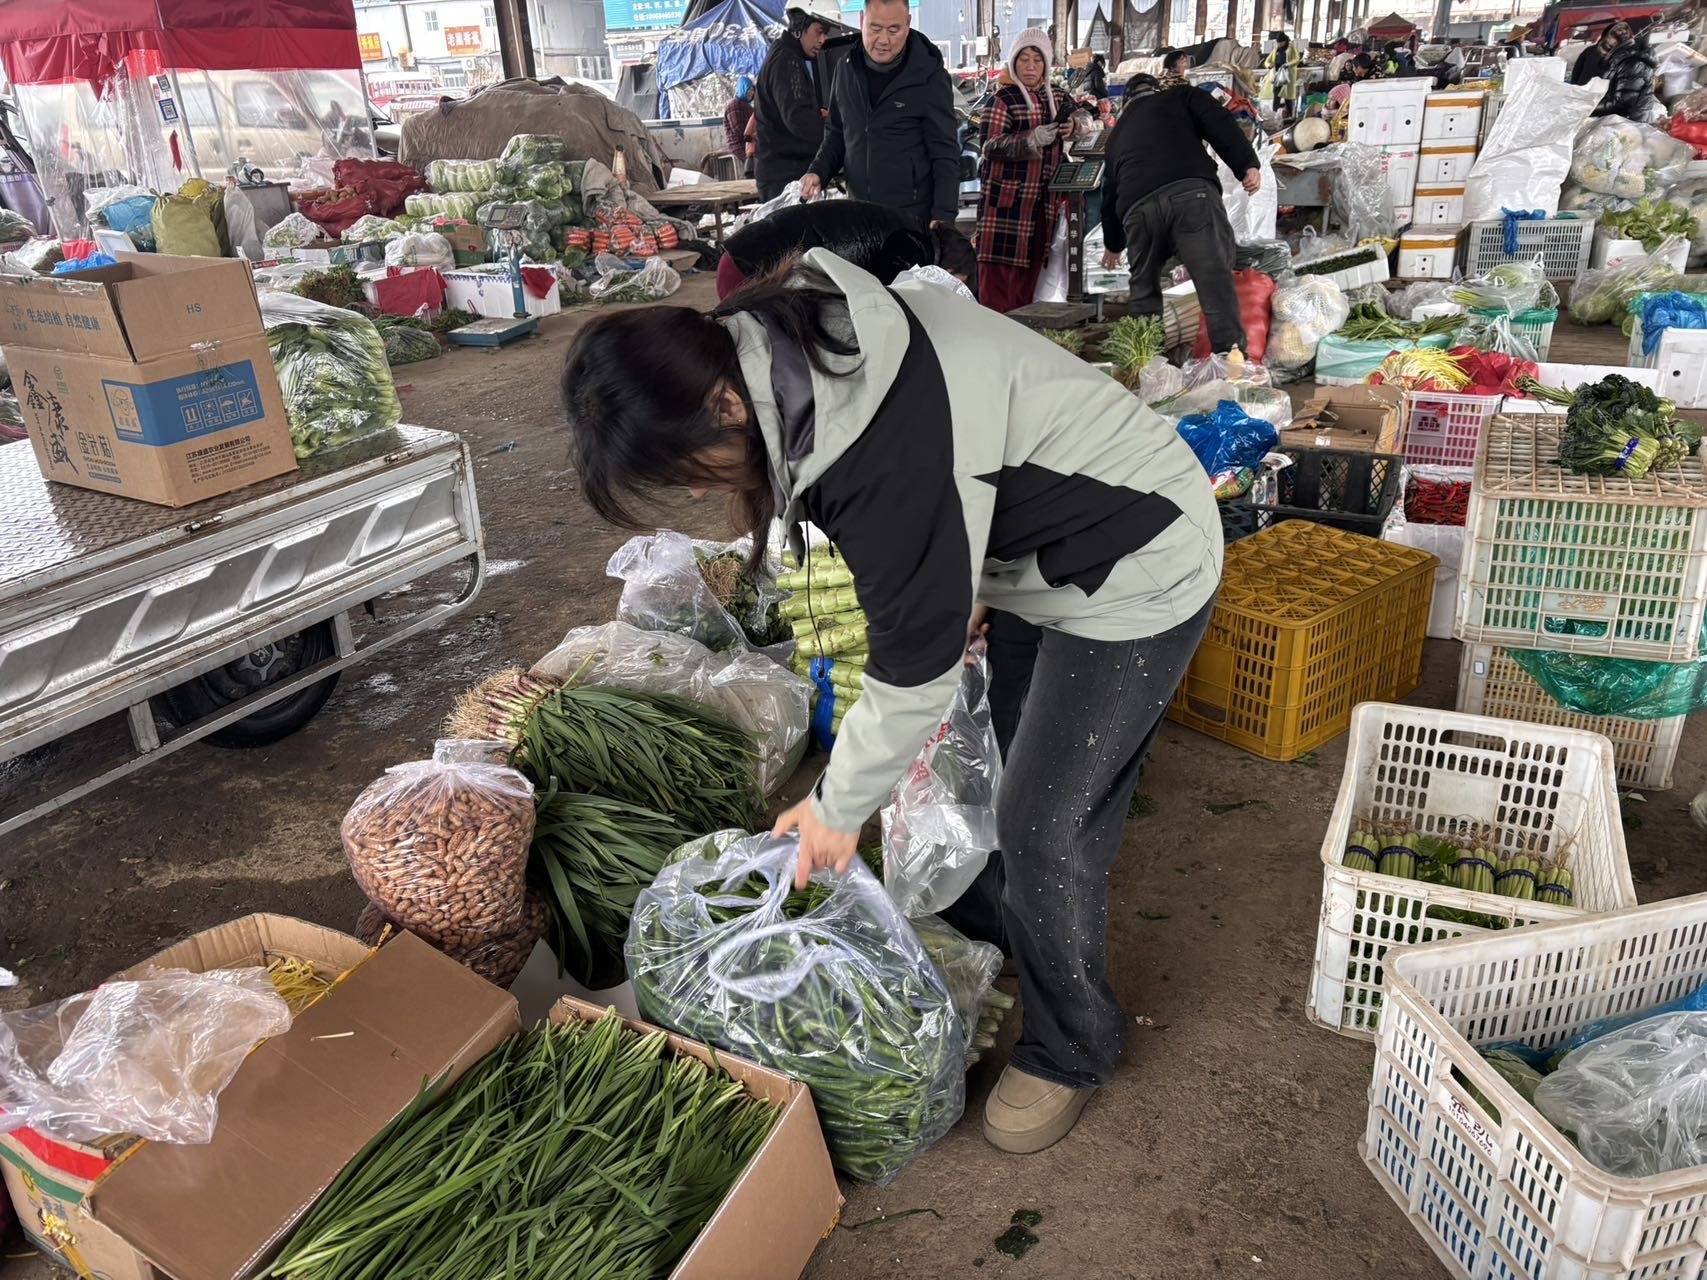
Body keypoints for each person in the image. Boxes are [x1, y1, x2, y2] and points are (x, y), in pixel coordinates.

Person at [559, 250, 1222, 1155]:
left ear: (719, 402)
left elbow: (917, 666)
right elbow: (963, 482)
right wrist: (965, 570)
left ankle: (1072, 1047)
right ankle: (989, 940)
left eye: (689, 470)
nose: (700, 490)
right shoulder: (777, 349)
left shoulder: (875, 442)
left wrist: (836, 809)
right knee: (997, 772)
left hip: (1132, 565)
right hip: (1042, 558)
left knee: (1044, 824)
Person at [1098, 73, 1260, 353]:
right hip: (1191, 196)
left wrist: (1113, 244)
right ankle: (1230, 364)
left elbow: (1109, 193)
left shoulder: (1116, 136)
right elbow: (1217, 121)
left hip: (1138, 211)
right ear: (1156, 90)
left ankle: (1146, 365)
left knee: (1145, 292)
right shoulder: (1180, 96)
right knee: (1213, 283)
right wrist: (1246, 164)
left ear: (1126, 103)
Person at [799, 0, 960, 229]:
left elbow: (945, 154)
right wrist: (818, 171)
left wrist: (943, 218)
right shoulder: (845, 69)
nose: (883, 40)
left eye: (894, 30)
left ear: (908, 24)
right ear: (862, 21)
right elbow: (836, 132)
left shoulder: (929, 77)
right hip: (859, 215)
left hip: (911, 220)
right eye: (875, 28)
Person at [975, 30, 1074, 312]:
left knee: (1034, 278)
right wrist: (1031, 139)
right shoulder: (1002, 99)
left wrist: (1075, 125)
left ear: (1046, 64)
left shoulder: (1056, 96)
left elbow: (1086, 115)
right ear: (1014, 63)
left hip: (1044, 207)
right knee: (1000, 285)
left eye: (1037, 60)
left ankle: (1028, 340)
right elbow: (989, 145)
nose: (1030, 67)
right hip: (1006, 209)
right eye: (1024, 60)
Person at [716, 198, 978, 298]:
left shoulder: (909, 226)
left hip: (742, 254)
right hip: (749, 270)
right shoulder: (916, 248)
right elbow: (888, 299)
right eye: (957, 282)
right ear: (948, 266)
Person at [754, 4, 834, 199]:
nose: (823, 40)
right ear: (799, 28)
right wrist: (836, 133)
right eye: (819, 32)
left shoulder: (786, 55)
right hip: (783, 176)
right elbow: (799, 120)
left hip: (782, 171)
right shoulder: (787, 61)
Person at [1572, 20, 1629, 85]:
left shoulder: (1590, 50)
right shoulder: (1620, 56)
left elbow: (1576, 71)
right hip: (1598, 92)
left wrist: (1575, 86)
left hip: (1582, 89)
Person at [724, 75, 757, 178]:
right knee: (756, 164)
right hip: (739, 145)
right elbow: (738, 129)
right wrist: (754, 135)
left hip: (749, 141)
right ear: (742, 89)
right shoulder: (734, 105)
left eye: (752, 90)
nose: (751, 93)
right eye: (749, 90)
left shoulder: (747, 106)